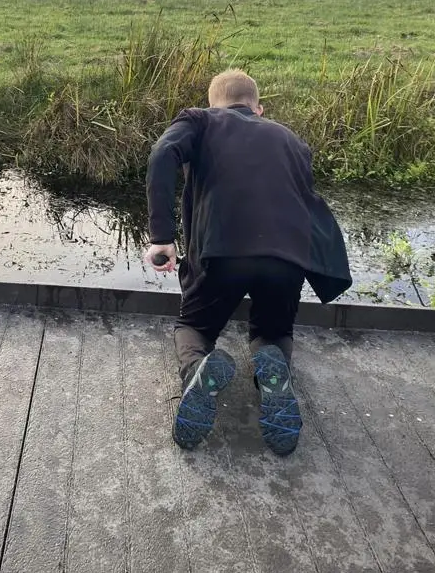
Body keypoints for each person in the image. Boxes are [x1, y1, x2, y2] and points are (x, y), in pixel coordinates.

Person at [144, 68, 351, 455]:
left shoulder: (200, 121)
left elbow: (161, 155)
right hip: (288, 256)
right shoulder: (290, 139)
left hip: (223, 253)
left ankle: (197, 371)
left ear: (212, 103)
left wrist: (161, 237)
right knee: (273, 331)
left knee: (195, 326)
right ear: (259, 108)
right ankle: (271, 364)